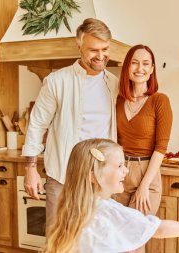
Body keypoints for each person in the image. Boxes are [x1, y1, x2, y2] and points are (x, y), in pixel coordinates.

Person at [21, 18, 118, 233]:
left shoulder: (113, 83)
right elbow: (37, 124)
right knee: (59, 239)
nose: (101, 56)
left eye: (105, 49)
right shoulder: (57, 81)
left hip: (100, 178)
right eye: (94, 50)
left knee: (96, 241)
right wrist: (30, 169)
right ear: (80, 47)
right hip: (62, 175)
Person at [42, 138, 179, 253]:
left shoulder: (72, 207)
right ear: (93, 176)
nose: (126, 170)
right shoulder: (106, 211)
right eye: (120, 166)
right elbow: (157, 228)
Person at [114, 45, 172, 221]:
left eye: (146, 64)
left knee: (134, 237)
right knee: (117, 238)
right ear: (127, 68)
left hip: (146, 173)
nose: (140, 68)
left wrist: (144, 185)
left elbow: (160, 148)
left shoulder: (159, 100)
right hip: (119, 172)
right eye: (135, 63)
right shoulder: (118, 100)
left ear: (152, 69)